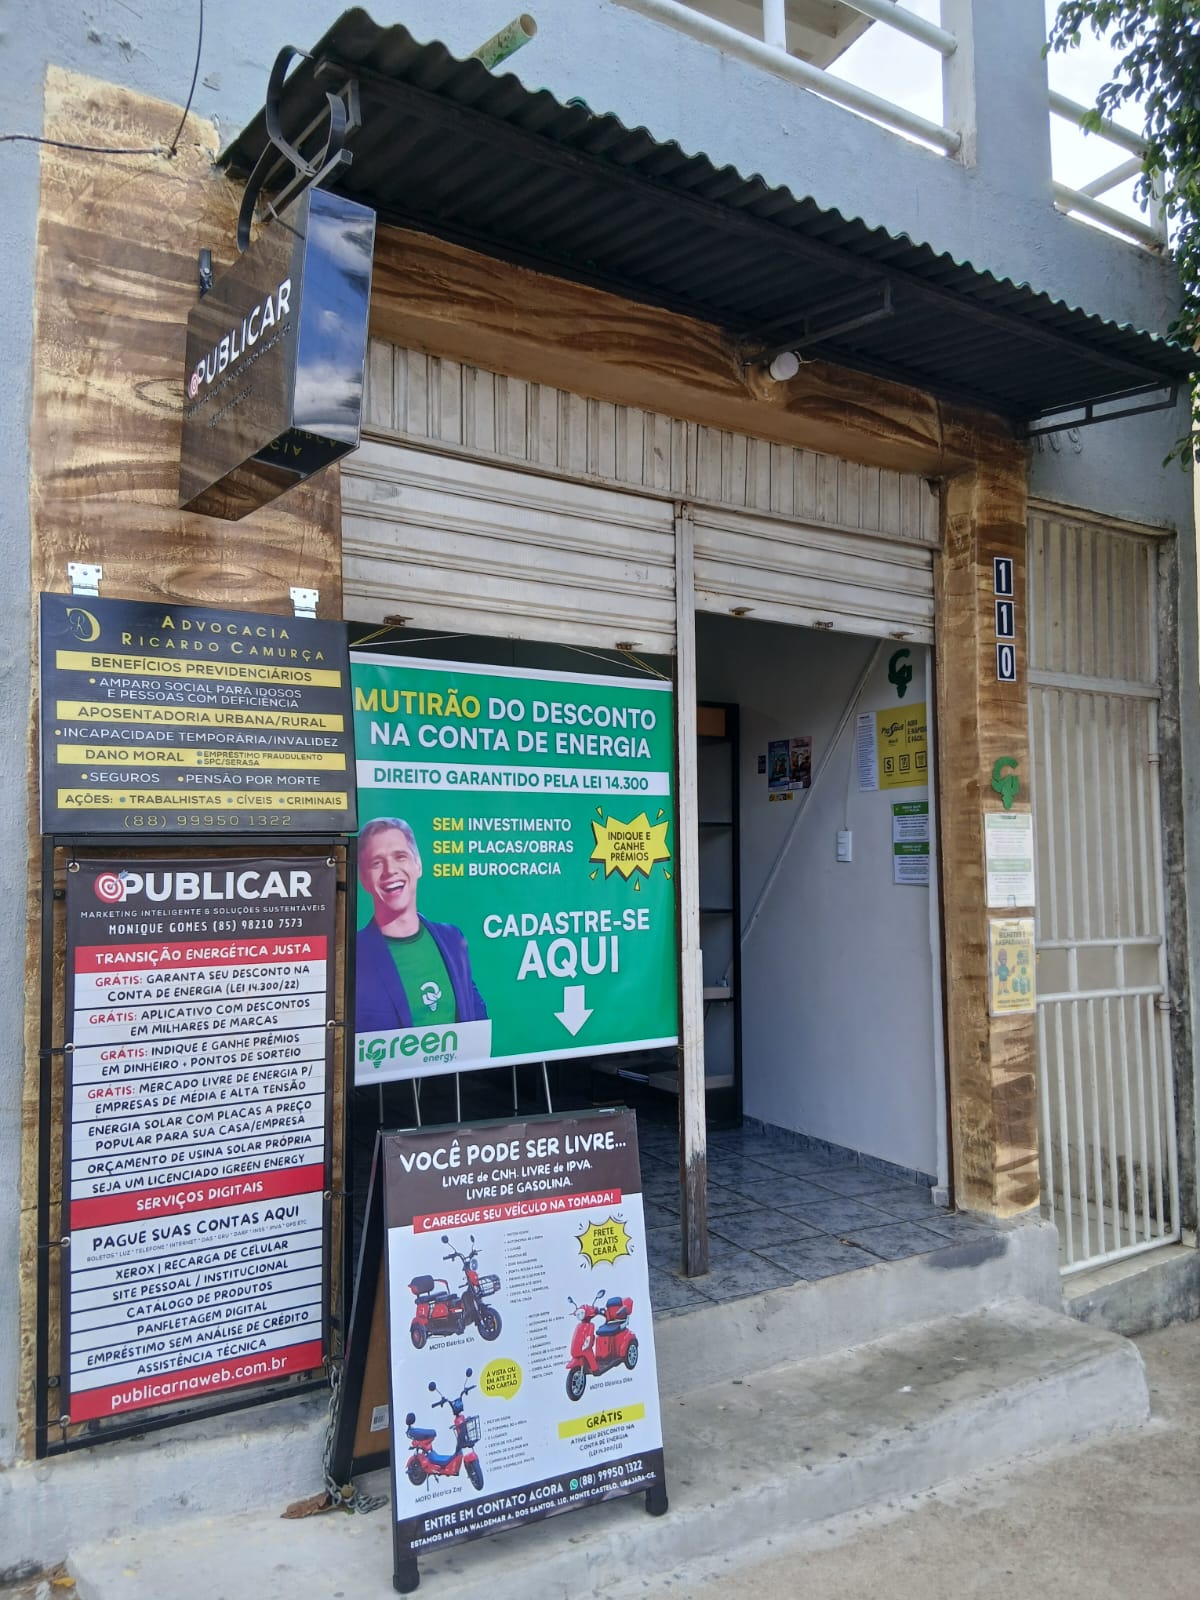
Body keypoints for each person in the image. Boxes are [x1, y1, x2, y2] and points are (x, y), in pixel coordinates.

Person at [355, 816, 487, 1032]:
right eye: (377, 863)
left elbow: (476, 1014)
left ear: (418, 865)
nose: (390, 870)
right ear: (364, 878)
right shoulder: (353, 953)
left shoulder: (452, 938)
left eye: (400, 857)